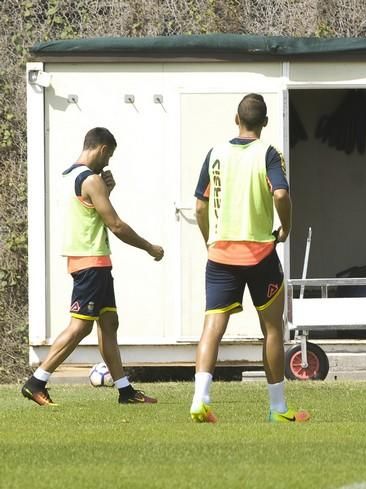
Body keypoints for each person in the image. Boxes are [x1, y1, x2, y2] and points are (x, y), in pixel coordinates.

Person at [21, 127, 164, 406]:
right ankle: (36, 381)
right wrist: (149, 247)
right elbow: (116, 224)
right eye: (109, 156)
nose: (108, 162)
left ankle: (125, 391)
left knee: (109, 323)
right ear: (102, 149)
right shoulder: (90, 179)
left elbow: (88, 212)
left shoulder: (70, 175)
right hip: (91, 263)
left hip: (87, 261)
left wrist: (106, 191)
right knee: (80, 327)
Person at [190, 93, 309, 423]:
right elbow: (281, 193)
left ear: (235, 118)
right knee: (272, 329)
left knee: (212, 327)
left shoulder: (215, 153)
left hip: (220, 253)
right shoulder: (268, 153)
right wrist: (286, 226)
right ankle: (278, 408)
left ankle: (200, 399)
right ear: (265, 123)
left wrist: (208, 240)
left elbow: (199, 205)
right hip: (259, 253)